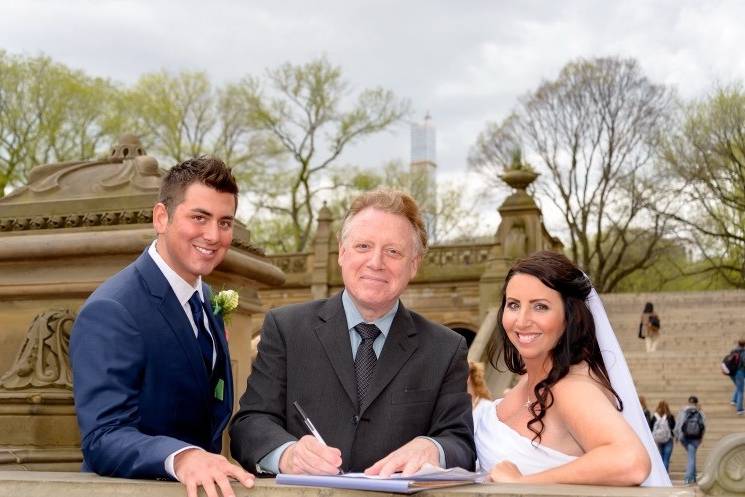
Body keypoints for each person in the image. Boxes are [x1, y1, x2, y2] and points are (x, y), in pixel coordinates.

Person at [229, 189, 475, 476]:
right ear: (342, 253)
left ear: (414, 265)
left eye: (393, 251)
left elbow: (461, 444)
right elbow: (250, 424)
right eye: (363, 247)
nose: (376, 262)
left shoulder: (445, 349)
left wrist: (433, 448)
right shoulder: (286, 329)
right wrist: (287, 455)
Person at [70, 157, 254, 497]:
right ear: (161, 217)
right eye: (199, 217)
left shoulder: (207, 298)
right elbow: (103, 436)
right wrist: (182, 458)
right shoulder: (112, 309)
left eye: (224, 222)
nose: (213, 235)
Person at [474, 251, 670, 486]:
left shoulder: (571, 387)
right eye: (514, 305)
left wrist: (524, 482)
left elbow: (631, 462)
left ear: (569, 316)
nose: (522, 320)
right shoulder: (528, 379)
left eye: (540, 307)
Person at [674, 395, 706, 484]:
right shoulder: (700, 412)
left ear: (689, 402)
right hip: (696, 437)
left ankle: (691, 477)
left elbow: (678, 423)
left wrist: (677, 436)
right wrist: (701, 437)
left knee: (691, 456)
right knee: (691, 457)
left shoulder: (683, 411)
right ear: (696, 402)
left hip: (684, 437)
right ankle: (689, 477)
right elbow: (704, 425)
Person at [652, 401, 675, 473]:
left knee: (661, 457)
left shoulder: (655, 416)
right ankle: (664, 474)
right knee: (666, 458)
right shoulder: (669, 416)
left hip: (658, 439)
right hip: (668, 439)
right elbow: (673, 426)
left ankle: (662, 475)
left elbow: (651, 426)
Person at [728, 339, 745, 415]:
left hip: (731, 371)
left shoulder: (733, 350)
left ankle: (734, 400)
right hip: (739, 372)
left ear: (738, 344)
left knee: (738, 386)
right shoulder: (744, 352)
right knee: (741, 390)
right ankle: (739, 409)